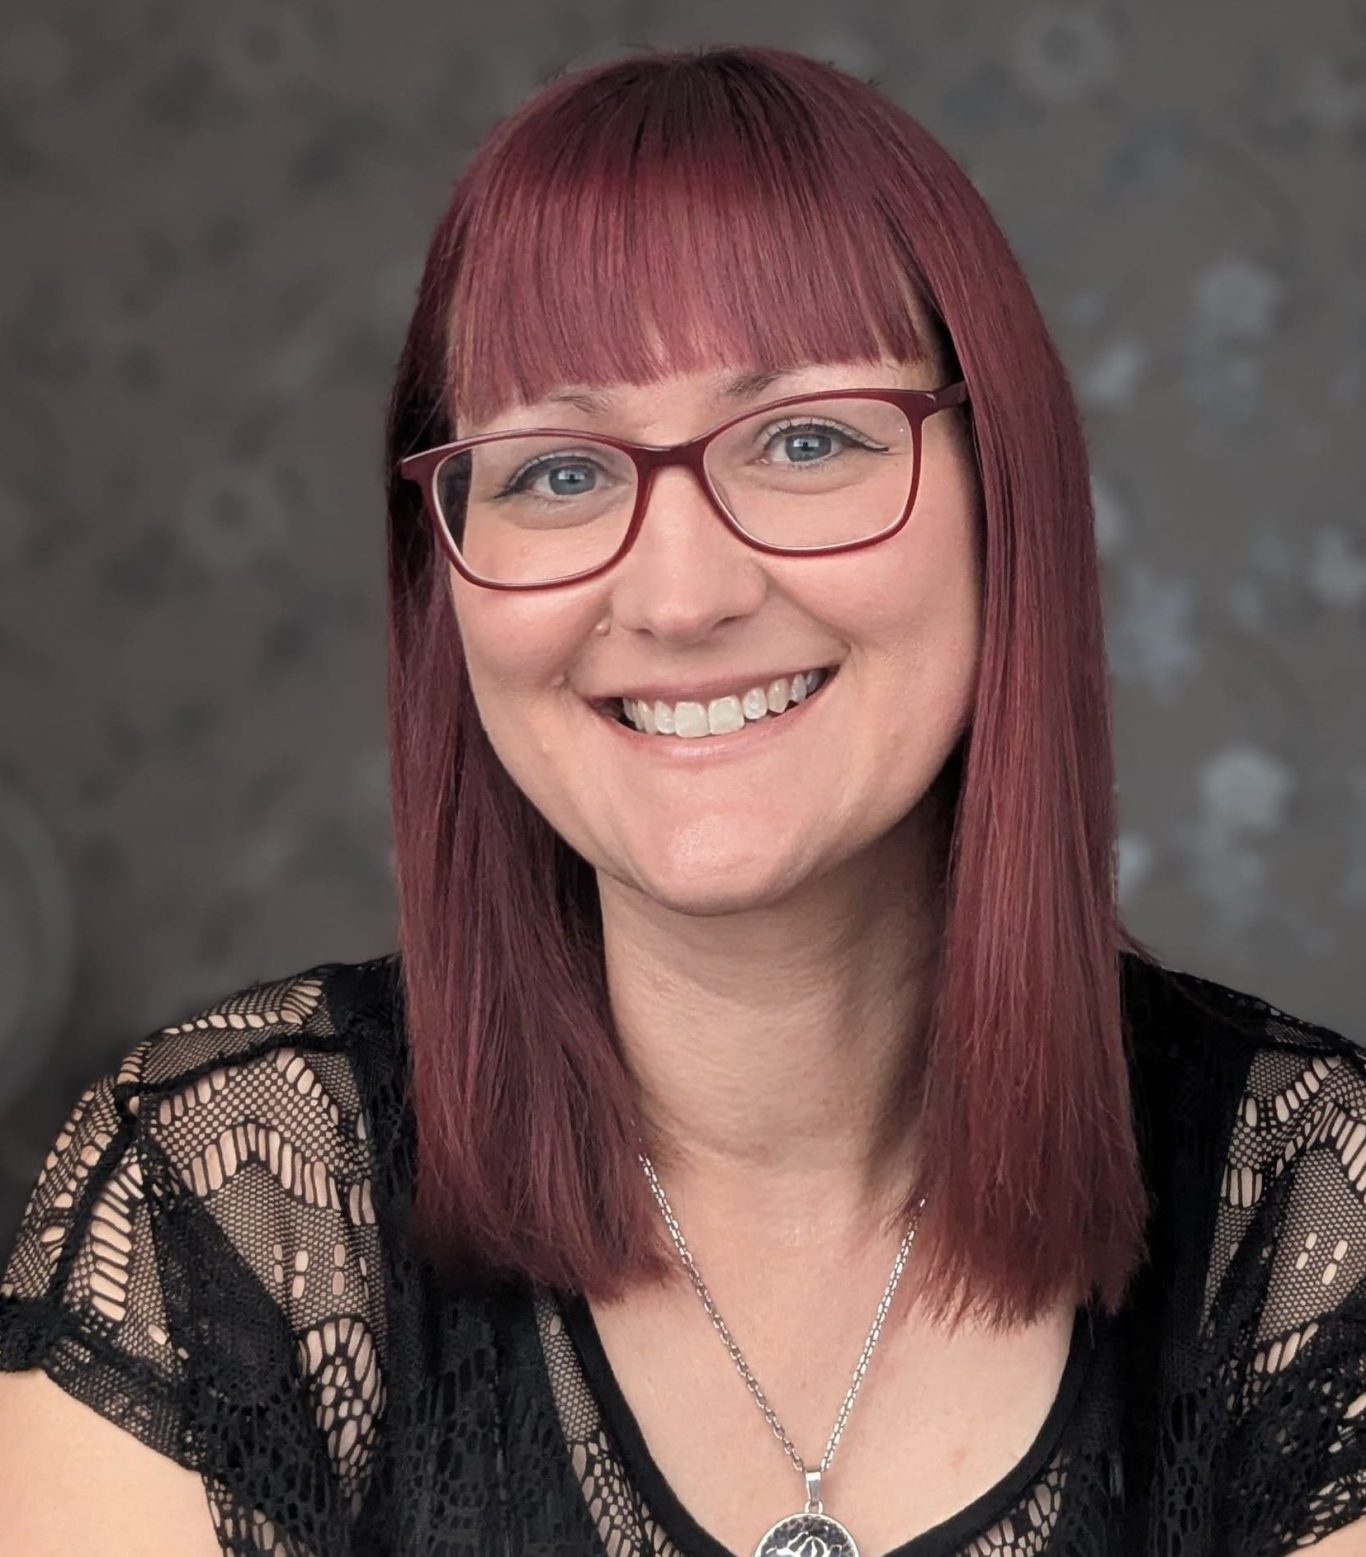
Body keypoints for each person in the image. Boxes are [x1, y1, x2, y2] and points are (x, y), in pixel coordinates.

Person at [0, 40, 1363, 1557]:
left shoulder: (1314, 1219)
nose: (680, 592)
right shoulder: (227, 1203)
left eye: (804, 440)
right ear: (443, 575)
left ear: (1004, 497)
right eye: (557, 471)